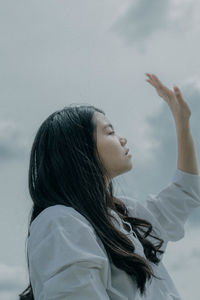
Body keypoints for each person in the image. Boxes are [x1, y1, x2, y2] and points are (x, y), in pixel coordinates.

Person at [19, 74, 200, 299]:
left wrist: (182, 122)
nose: (122, 139)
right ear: (81, 150)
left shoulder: (123, 218)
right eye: (110, 132)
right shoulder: (61, 222)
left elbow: (185, 192)